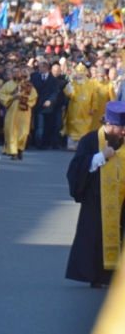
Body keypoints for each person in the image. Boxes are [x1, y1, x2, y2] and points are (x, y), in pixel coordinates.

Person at [66, 101, 125, 288]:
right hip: (97, 200)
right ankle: (96, 276)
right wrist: (101, 156)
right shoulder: (90, 140)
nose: (123, 132)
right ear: (109, 125)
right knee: (95, 239)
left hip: (122, 201)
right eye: (120, 128)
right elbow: (76, 169)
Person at [0, 68, 38, 160]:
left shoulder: (28, 85)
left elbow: (34, 96)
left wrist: (24, 98)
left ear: (21, 73)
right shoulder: (7, 85)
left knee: (23, 133)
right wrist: (12, 97)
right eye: (14, 72)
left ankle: (20, 149)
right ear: (12, 74)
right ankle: (13, 152)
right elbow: (1, 95)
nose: (16, 73)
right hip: (12, 112)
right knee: (11, 132)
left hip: (24, 112)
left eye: (18, 72)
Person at [64, 64, 95, 152]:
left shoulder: (90, 84)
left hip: (86, 110)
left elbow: (94, 97)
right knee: (73, 126)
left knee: (84, 129)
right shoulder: (72, 83)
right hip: (74, 109)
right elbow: (67, 93)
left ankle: (82, 146)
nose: (80, 76)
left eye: (81, 74)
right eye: (78, 74)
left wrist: (93, 108)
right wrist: (71, 86)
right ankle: (71, 145)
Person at [31, 60, 59, 150]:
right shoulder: (35, 77)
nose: (39, 69)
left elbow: (55, 92)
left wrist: (50, 101)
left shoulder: (53, 80)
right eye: (39, 67)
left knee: (48, 125)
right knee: (39, 125)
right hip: (38, 104)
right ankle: (38, 142)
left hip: (48, 106)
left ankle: (45, 143)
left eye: (41, 67)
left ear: (46, 68)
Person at [91, 67, 115, 131]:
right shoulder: (91, 83)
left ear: (105, 74)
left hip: (103, 112)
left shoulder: (109, 84)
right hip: (92, 112)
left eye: (102, 73)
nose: (101, 74)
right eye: (99, 73)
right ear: (96, 73)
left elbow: (113, 100)